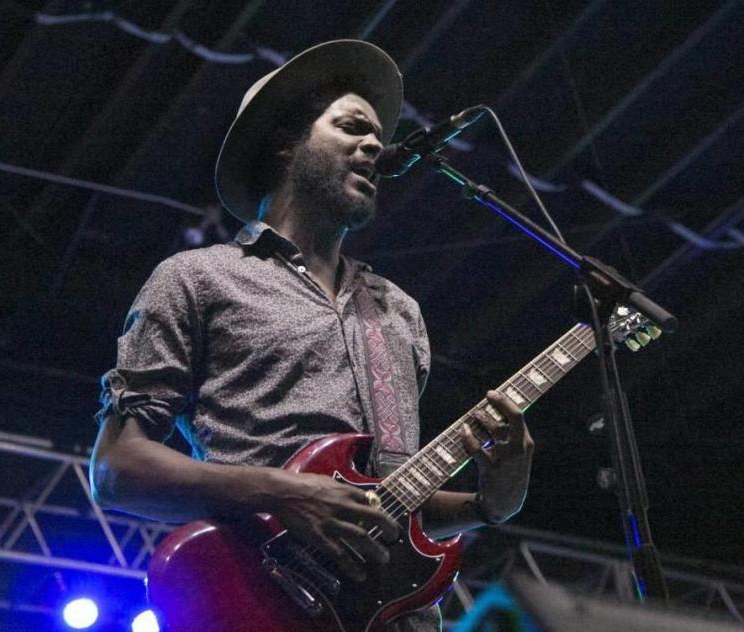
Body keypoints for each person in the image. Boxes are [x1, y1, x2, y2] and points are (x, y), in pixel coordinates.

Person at [90, 40, 533, 631]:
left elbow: (382, 504)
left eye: (377, 134)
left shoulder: (397, 313)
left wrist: (487, 503)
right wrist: (284, 493)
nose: (375, 144)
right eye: (352, 126)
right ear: (284, 141)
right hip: (258, 605)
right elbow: (118, 468)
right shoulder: (198, 278)